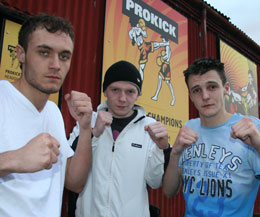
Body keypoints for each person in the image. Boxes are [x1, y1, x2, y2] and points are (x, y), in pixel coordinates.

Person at [0, 14, 92, 217]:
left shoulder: (53, 112)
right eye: (44, 52)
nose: (56, 65)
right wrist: (14, 159)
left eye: (64, 56)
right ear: (21, 54)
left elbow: (74, 182)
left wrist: (85, 129)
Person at [68, 60, 169, 217]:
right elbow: (70, 172)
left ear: (138, 95)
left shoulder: (150, 127)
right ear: (105, 92)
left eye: (130, 92)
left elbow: (155, 182)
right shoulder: (88, 120)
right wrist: (93, 133)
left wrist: (159, 148)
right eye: (115, 90)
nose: (122, 98)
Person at [163, 58, 260, 216]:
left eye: (212, 87)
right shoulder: (189, 128)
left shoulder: (251, 128)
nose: (205, 96)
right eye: (197, 90)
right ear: (191, 96)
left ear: (226, 88)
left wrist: (258, 145)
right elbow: (168, 191)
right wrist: (174, 154)